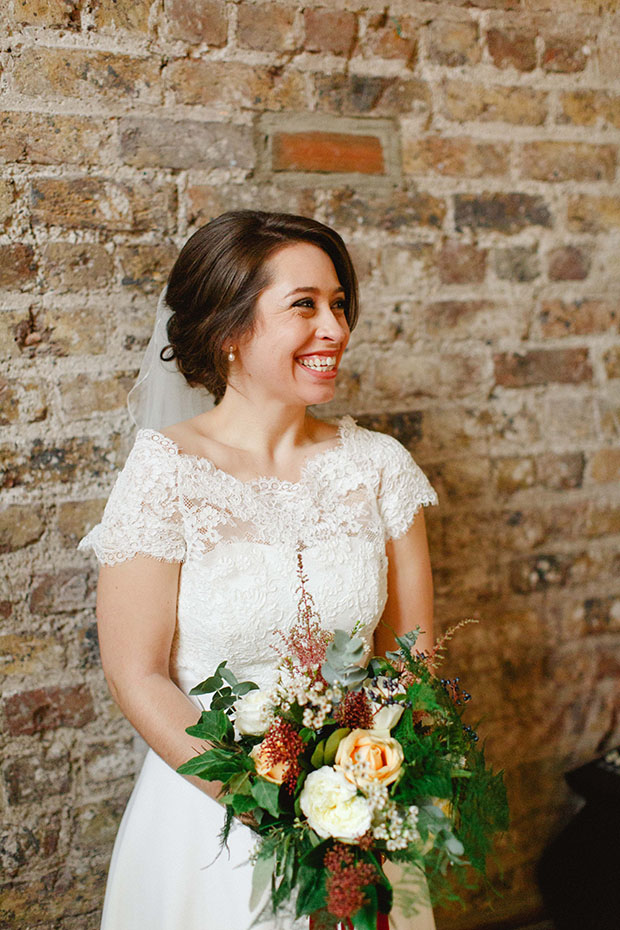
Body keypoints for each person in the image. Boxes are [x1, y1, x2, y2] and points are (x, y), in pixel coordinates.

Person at [79, 211, 439, 930]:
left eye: (338, 304)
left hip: (360, 814)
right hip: (209, 825)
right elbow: (136, 672)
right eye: (304, 305)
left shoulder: (378, 470)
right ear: (230, 332)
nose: (334, 328)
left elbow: (413, 656)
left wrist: (357, 798)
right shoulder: (166, 473)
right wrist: (269, 808)